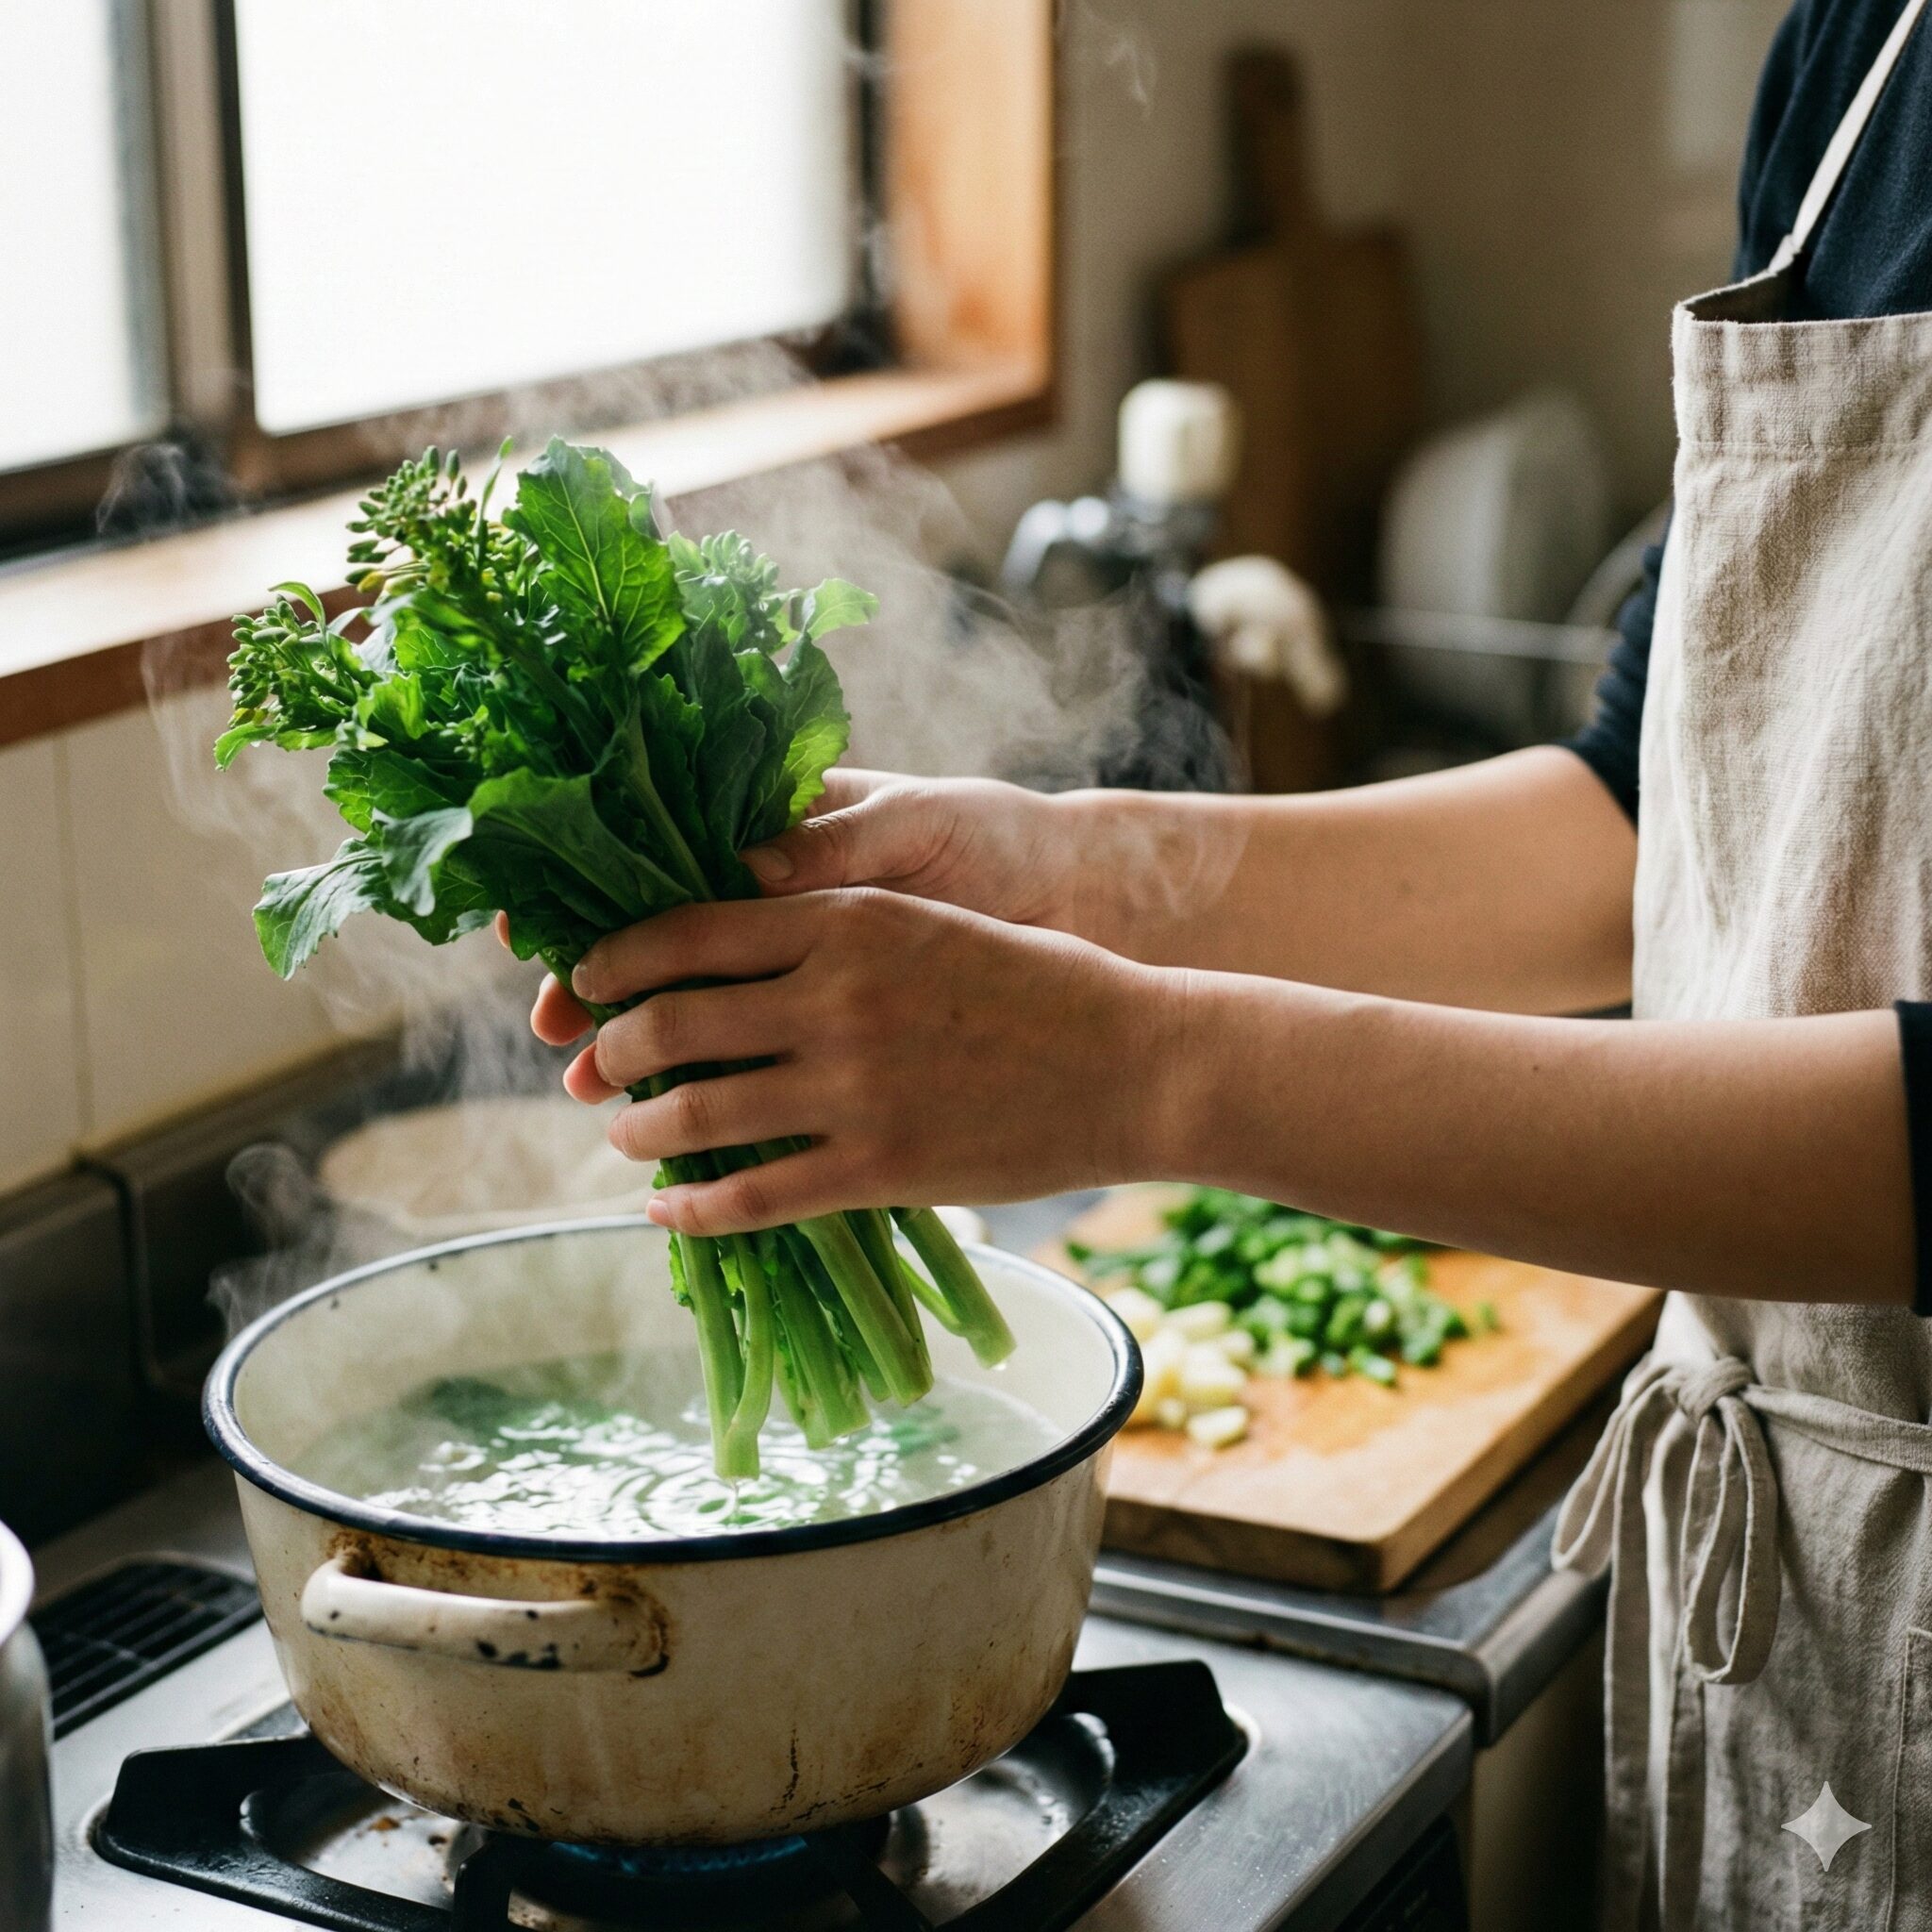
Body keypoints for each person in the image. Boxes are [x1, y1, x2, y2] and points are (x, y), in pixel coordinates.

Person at [521, 1, 1932, 1923]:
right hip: (1818, 1625)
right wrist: (1075, 873)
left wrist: (1142, 1070)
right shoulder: (1859, 50)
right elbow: (1646, 826)